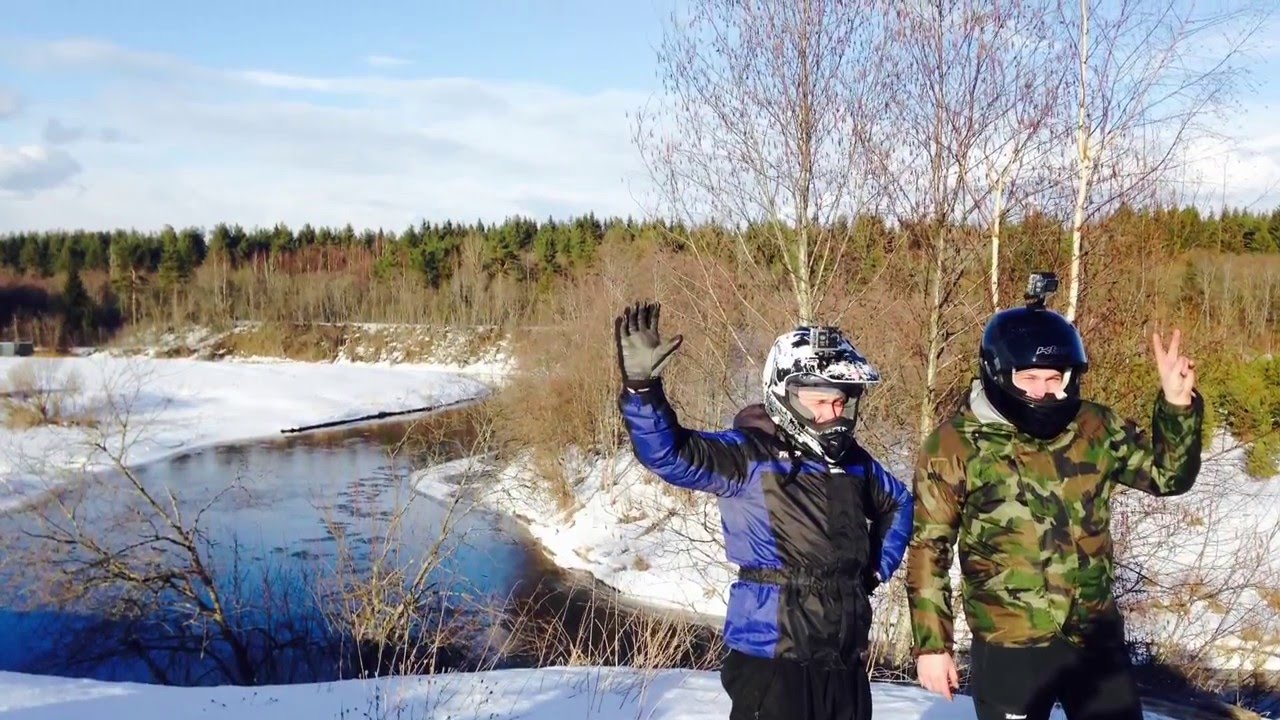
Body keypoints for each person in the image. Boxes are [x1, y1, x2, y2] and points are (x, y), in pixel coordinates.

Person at [906, 273, 1204, 720]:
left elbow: (1168, 476)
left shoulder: (1094, 427)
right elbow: (929, 548)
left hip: (1094, 637)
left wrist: (1177, 406)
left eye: (1054, 376)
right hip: (1010, 643)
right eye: (1029, 378)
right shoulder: (954, 445)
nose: (1044, 390)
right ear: (998, 372)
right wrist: (932, 646)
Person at [613, 300, 913, 720]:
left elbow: (898, 501)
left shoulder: (853, 461)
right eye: (819, 402)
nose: (833, 415)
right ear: (786, 396)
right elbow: (669, 453)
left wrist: (876, 567)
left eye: (841, 403)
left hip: (843, 657)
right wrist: (642, 391)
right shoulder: (748, 456)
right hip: (772, 660)